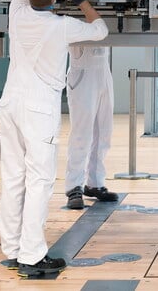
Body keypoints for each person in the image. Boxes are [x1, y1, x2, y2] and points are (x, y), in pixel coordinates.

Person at [0, 0, 109, 279]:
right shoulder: (61, 25)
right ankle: (32, 256)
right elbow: (100, 29)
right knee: (40, 181)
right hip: (38, 110)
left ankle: (12, 249)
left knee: (13, 177)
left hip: (11, 103)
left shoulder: (16, 10)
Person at [64, 45, 119, 210]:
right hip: (83, 67)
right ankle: (74, 186)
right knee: (81, 134)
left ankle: (95, 183)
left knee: (104, 131)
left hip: (103, 68)